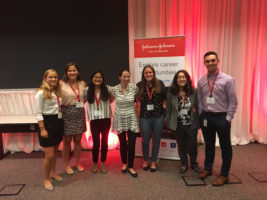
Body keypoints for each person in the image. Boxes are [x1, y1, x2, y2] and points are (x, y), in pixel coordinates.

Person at [197, 51, 238, 186]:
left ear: (218, 61)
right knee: (208, 145)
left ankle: (224, 175)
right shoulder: (201, 80)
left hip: (222, 118)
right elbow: (200, 99)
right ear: (204, 63)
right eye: (207, 61)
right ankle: (208, 168)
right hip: (207, 117)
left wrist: (228, 118)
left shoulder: (228, 79)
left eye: (212, 60)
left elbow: (233, 101)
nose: (210, 63)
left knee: (225, 147)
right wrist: (202, 113)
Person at [166, 70, 200, 174]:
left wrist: (198, 122)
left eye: (184, 77)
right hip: (178, 125)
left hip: (191, 124)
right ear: (176, 80)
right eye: (179, 77)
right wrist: (168, 122)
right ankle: (184, 164)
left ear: (187, 79)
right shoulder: (171, 93)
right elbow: (169, 109)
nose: (181, 79)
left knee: (193, 145)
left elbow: (198, 107)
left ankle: (194, 163)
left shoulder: (194, 91)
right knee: (181, 145)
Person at [35, 69, 64, 191]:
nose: (53, 79)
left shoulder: (57, 91)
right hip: (47, 124)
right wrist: (42, 129)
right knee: (49, 155)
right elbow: (38, 113)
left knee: (55, 152)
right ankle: (46, 179)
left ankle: (53, 173)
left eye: (55, 77)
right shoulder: (40, 93)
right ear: (45, 78)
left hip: (58, 122)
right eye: (50, 77)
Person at [110, 69, 139, 177]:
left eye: (128, 76)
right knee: (122, 143)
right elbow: (109, 100)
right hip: (120, 118)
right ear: (119, 77)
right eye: (124, 76)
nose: (126, 78)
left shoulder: (134, 88)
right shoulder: (114, 89)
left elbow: (137, 100)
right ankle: (124, 164)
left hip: (131, 118)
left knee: (131, 143)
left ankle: (131, 166)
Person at [136, 65, 166, 172]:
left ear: (153, 73)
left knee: (156, 140)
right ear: (143, 75)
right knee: (145, 140)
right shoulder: (139, 85)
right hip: (145, 117)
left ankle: (153, 161)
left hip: (158, 116)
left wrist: (164, 108)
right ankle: (145, 160)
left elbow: (165, 98)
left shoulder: (160, 83)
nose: (148, 74)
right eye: (146, 73)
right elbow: (137, 100)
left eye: (150, 72)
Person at [60, 62, 87, 174]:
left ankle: (77, 163)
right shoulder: (61, 83)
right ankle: (66, 165)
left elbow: (84, 98)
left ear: (78, 71)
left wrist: (78, 104)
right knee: (66, 141)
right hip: (66, 113)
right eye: (70, 70)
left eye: (74, 70)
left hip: (79, 113)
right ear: (66, 72)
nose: (72, 72)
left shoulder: (82, 83)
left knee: (77, 140)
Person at [86, 71, 112, 173]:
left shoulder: (108, 89)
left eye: (100, 77)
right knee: (96, 142)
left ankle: (103, 163)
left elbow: (113, 98)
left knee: (105, 142)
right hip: (94, 120)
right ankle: (95, 163)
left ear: (103, 79)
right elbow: (81, 100)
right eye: (96, 77)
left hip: (105, 119)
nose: (98, 79)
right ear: (92, 79)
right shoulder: (87, 90)